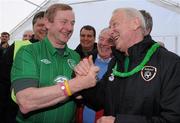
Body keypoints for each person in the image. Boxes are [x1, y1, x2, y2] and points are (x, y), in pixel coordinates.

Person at [75, 8, 180, 123]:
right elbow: (100, 100)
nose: (110, 31)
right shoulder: (116, 62)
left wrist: (119, 121)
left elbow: (173, 118)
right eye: (109, 27)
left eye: (114, 24)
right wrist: (84, 82)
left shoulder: (170, 63)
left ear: (135, 24)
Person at [10, 3, 99, 123]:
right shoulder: (28, 52)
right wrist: (77, 84)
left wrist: (90, 82)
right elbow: (26, 102)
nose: (69, 28)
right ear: (48, 23)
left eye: (72, 23)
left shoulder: (75, 56)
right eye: (64, 21)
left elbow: (82, 98)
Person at [0, 11, 46, 123]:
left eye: (46, 25)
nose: (44, 28)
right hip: (15, 110)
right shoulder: (17, 46)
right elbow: (3, 80)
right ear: (33, 27)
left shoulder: (54, 49)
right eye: (40, 25)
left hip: (45, 110)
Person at [82, 28, 113, 123]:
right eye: (101, 39)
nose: (103, 43)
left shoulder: (120, 67)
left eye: (109, 41)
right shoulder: (86, 61)